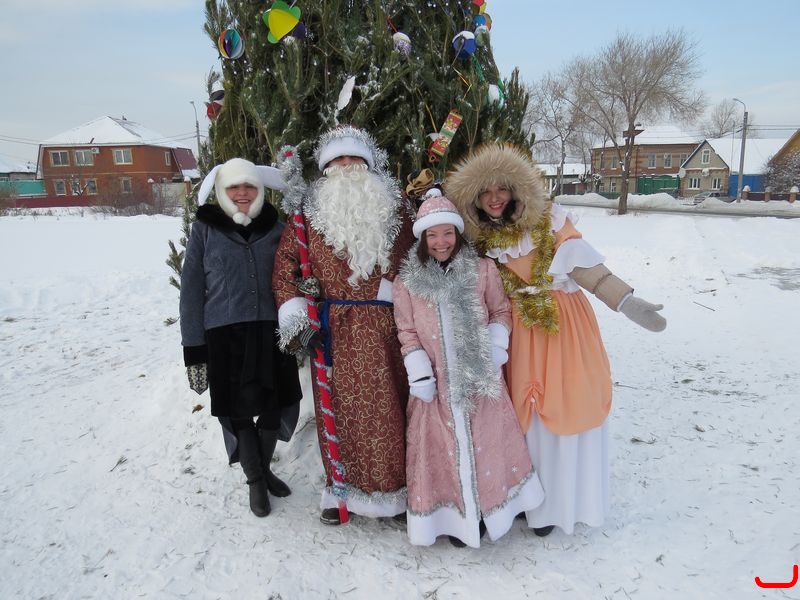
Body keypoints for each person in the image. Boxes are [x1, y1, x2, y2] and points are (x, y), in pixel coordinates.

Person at [445, 143, 667, 537]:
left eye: (502, 188)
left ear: (516, 189)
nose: (494, 198)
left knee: (565, 405)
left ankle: (557, 505)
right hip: (512, 333)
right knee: (521, 417)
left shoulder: (548, 220)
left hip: (561, 325)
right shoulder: (476, 239)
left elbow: (584, 266)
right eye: (485, 191)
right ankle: (524, 498)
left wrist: (625, 300)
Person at [272, 125, 415, 525]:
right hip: (334, 331)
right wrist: (298, 320)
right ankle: (340, 492)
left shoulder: (397, 207)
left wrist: (396, 291)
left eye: (353, 157)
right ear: (325, 167)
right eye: (337, 159)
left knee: (393, 412)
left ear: (367, 163)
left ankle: (397, 495)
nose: (346, 165)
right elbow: (284, 271)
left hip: (390, 329)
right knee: (339, 413)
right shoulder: (305, 214)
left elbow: (418, 258)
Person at [392, 190, 545, 548]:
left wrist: (494, 346)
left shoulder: (482, 270)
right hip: (436, 386)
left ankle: (492, 511)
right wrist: (417, 367)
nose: (441, 242)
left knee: (488, 445)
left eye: (448, 233)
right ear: (422, 239)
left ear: (458, 234)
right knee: (442, 452)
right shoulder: (407, 282)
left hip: (480, 380)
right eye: (432, 235)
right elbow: (407, 330)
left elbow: (500, 311)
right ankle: (457, 518)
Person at [180, 157, 302, 518]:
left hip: (272, 332)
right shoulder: (204, 230)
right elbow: (191, 290)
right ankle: (256, 480)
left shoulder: (278, 228)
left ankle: (262, 470)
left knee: (275, 405)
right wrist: (193, 349)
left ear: (260, 189)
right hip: (224, 336)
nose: (242, 193)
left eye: (249, 186)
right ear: (222, 191)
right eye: (234, 187)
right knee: (237, 411)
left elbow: (295, 274)